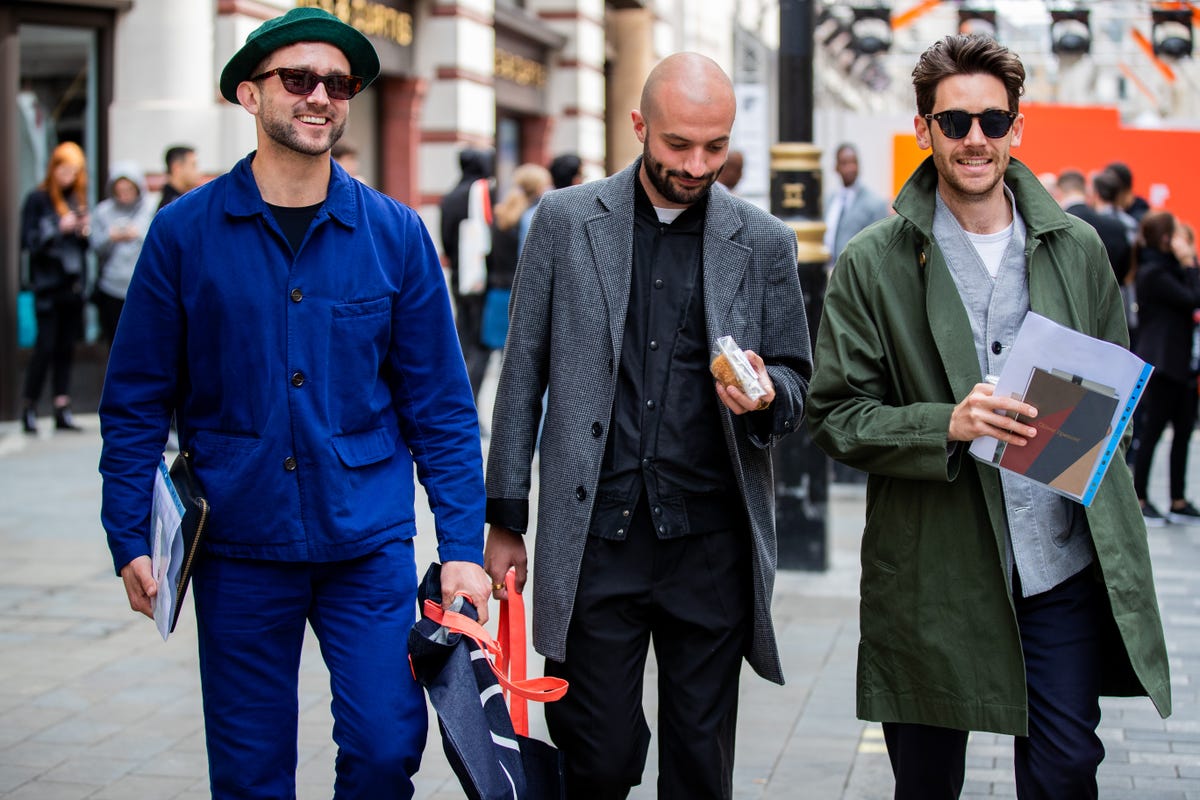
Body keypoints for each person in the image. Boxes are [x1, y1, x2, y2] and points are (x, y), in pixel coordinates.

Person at [97, 8, 491, 799]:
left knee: (387, 748)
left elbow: (443, 408)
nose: (321, 97)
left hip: (366, 542)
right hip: (239, 543)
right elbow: (136, 396)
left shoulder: (395, 235)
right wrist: (127, 532)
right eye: (299, 79)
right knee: (249, 774)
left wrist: (462, 548)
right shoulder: (183, 236)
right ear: (250, 94)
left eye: (338, 84)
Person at [807, 34, 1171, 799]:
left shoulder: (1076, 248)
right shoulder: (875, 261)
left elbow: (1119, 390)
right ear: (923, 129)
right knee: (929, 783)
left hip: (1055, 566)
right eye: (955, 122)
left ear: (1018, 127)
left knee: (1068, 768)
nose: (976, 138)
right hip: (934, 574)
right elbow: (837, 415)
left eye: (993, 121)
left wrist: (1091, 435)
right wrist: (947, 423)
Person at [484, 52, 811, 799]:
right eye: (678, 145)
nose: (697, 165)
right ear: (639, 126)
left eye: (716, 147)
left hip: (710, 542)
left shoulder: (763, 242)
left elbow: (797, 378)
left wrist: (768, 397)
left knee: (700, 763)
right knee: (597, 757)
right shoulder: (565, 223)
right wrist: (505, 517)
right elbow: (522, 372)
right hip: (595, 536)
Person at [1131, 211, 1200, 527]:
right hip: (1161, 366)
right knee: (1152, 433)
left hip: (1181, 364)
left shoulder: (1166, 270)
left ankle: (1178, 499)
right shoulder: (1153, 273)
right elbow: (1193, 298)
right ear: (1165, 239)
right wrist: (1188, 263)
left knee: (1183, 431)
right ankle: (1141, 497)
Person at [19, 140, 90, 434]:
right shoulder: (37, 199)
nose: (68, 176)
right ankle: (29, 406)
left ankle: (62, 406)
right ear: (53, 168)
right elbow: (28, 241)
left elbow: (84, 248)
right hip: (47, 286)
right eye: (64, 169)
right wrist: (57, 228)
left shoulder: (76, 199)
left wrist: (83, 230)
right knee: (44, 347)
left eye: (74, 171)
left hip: (71, 287)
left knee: (66, 348)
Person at [439, 147, 495, 400]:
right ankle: (468, 399)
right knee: (480, 342)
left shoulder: (450, 196)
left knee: (462, 336)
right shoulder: (483, 194)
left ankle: (456, 394)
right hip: (482, 277)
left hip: (460, 274)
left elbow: (446, 240)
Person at [90, 161, 156, 345]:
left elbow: (157, 242)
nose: (124, 195)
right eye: (120, 190)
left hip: (140, 285)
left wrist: (136, 234)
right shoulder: (103, 211)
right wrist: (110, 236)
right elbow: (95, 246)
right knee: (115, 341)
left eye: (129, 189)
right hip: (111, 285)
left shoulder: (150, 208)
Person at [1057, 169, 1132, 285]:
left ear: (1059, 191)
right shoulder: (1117, 226)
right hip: (1111, 293)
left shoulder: (1060, 224)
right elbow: (1125, 270)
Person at [823, 142, 889, 267]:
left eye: (854, 162)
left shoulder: (874, 203)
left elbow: (880, 247)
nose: (850, 168)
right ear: (836, 167)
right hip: (827, 272)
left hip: (854, 273)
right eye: (844, 163)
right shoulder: (830, 200)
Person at [156, 144, 200, 211]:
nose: (198, 172)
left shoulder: (182, 200)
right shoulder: (172, 208)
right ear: (177, 168)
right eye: (193, 165)